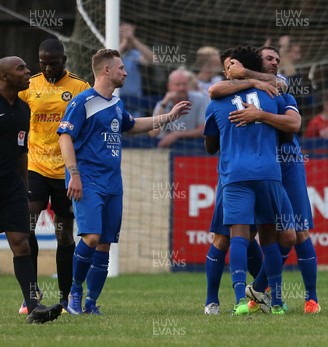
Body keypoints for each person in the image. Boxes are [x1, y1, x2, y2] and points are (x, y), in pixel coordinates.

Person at [57, 49, 191, 315]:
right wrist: (74, 174)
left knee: (105, 242)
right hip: (88, 181)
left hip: (113, 184)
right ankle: (74, 292)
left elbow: (132, 125)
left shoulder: (117, 104)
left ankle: (91, 303)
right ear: (106, 70)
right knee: (92, 237)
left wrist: (169, 117)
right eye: (121, 68)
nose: (126, 72)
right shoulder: (83, 101)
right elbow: (64, 137)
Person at [223, 45, 320, 314]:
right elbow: (214, 91)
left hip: (286, 162)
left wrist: (259, 112)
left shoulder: (280, 88)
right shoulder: (239, 90)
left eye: (278, 59)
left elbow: (293, 124)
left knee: (297, 231)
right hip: (254, 168)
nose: (275, 62)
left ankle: (310, 298)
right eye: (269, 58)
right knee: (248, 231)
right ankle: (258, 295)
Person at [203, 46, 293, 315]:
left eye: (229, 65)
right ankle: (276, 302)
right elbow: (288, 133)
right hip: (268, 172)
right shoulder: (273, 96)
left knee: (235, 238)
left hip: (234, 175)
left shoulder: (216, 102)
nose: (225, 70)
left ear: (238, 67)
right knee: (271, 238)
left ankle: (237, 301)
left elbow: (210, 146)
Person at [17, 39, 91, 314]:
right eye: (43, 62)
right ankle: (31, 294)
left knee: (64, 234)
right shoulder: (29, 86)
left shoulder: (79, 88)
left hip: (66, 171)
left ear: (64, 61)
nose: (48, 68)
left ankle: (66, 296)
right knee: (27, 227)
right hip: (35, 166)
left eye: (53, 63)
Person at [0, 55, 63, 324]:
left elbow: (22, 151)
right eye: (21, 68)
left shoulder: (25, 108)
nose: (28, 72)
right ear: (4, 76)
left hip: (13, 186)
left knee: (21, 243)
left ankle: (33, 306)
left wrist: (24, 187)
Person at [148, 68, 209, 148]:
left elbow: (203, 130)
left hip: (194, 148)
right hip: (166, 149)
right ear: (169, 86)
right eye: (178, 85)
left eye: (184, 84)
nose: (181, 88)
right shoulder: (162, 104)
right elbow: (153, 133)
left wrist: (176, 134)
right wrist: (164, 104)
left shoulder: (200, 100)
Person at [118, 23, 153, 116]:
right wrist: (124, 43)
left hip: (135, 102)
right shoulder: (109, 49)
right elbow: (110, 59)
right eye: (123, 32)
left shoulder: (134, 54)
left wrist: (132, 39)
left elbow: (152, 59)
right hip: (115, 99)